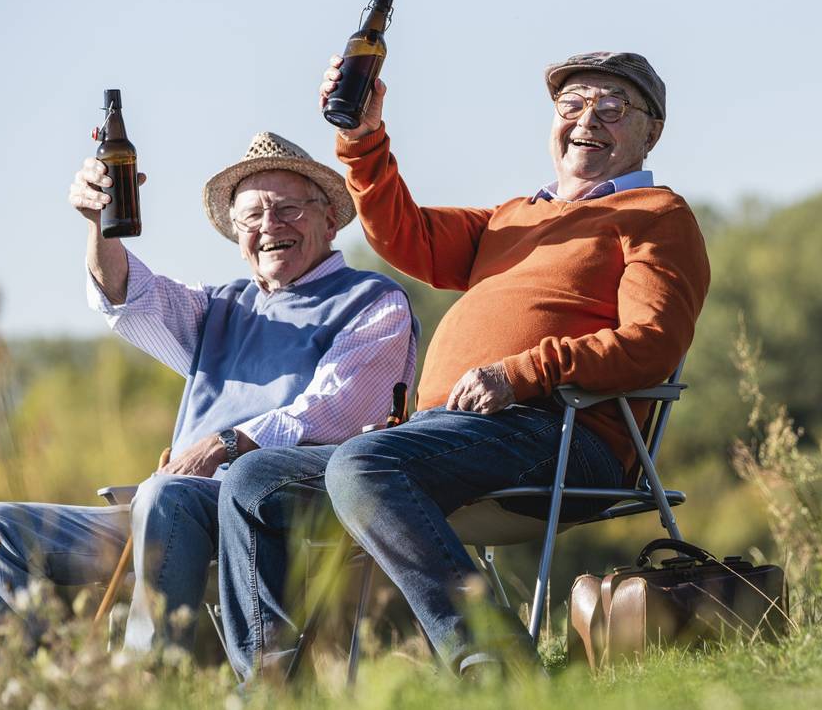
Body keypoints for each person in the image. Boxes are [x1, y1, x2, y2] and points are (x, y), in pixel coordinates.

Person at [216, 52, 710, 678]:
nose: (588, 120)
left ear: (650, 132)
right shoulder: (513, 217)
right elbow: (404, 235)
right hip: (446, 435)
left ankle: (496, 664)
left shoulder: (657, 216)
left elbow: (653, 342)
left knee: (364, 463)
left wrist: (523, 373)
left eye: (613, 109)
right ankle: (270, 687)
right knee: (254, 478)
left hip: (562, 433)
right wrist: (363, 138)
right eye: (572, 106)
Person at [0, 131, 418, 654]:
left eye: (288, 210)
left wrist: (224, 442)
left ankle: (144, 681)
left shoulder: (372, 301)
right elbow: (129, 298)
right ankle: (33, 687)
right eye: (252, 217)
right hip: (166, 514)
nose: (270, 227)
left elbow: (336, 410)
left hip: (280, 511)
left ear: (329, 219)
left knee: (162, 493)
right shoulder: (221, 307)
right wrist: (100, 226)